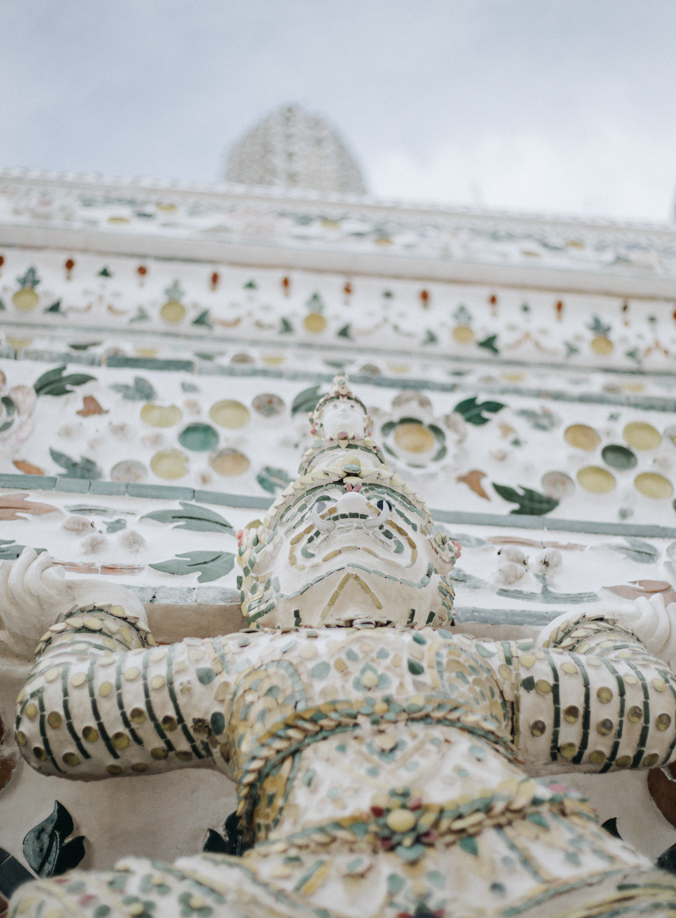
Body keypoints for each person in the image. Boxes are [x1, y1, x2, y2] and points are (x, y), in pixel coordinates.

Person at [8, 376, 676, 918]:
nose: (350, 514)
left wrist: (96, 617)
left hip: (538, 867)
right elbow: (57, 718)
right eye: (316, 519)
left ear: (443, 564)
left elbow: (652, 711)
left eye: (388, 518)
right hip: (307, 874)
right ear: (257, 569)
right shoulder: (237, 662)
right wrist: (99, 609)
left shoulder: (478, 664)